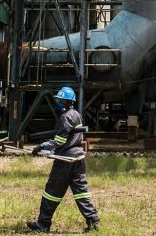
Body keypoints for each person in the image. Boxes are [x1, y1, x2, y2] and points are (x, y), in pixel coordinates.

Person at [28, 86, 100, 233]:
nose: (58, 101)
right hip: (79, 159)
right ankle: (93, 221)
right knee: (81, 192)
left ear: (66, 101)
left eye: (60, 99)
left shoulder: (65, 117)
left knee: (51, 192)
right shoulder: (76, 115)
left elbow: (59, 141)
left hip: (65, 160)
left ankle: (43, 224)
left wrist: (41, 146)